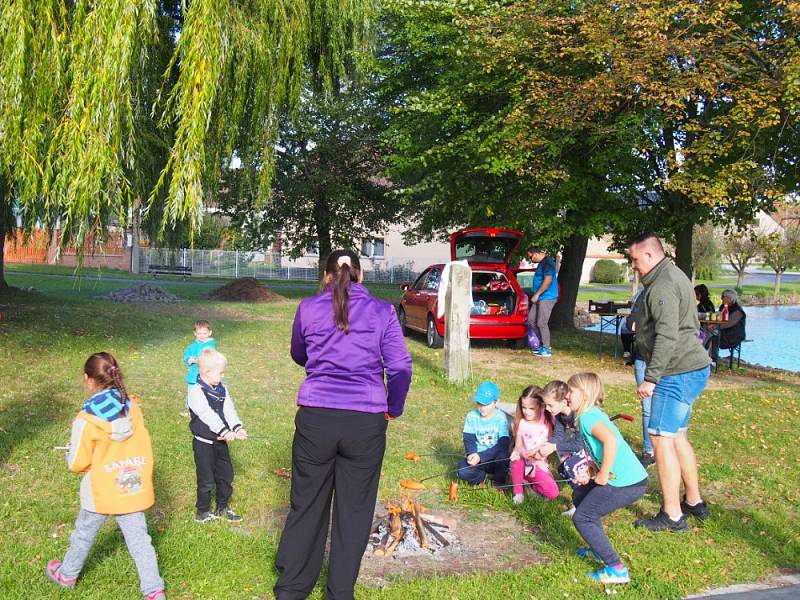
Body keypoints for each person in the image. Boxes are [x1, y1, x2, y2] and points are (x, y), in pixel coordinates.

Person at [274, 249, 412, 600]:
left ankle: (292, 588)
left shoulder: (308, 308)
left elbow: (298, 352)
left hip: (317, 417)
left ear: (326, 277)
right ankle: (338, 592)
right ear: (360, 276)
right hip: (365, 421)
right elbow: (399, 367)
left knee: (307, 502)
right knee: (354, 510)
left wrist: (321, 365)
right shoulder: (382, 311)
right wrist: (392, 407)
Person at [46, 352, 166, 600]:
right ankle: (154, 591)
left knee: (84, 532)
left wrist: (71, 449)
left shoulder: (86, 419)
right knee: (140, 541)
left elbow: (78, 463)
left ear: (87, 379)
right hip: (132, 486)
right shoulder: (132, 407)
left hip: (100, 491)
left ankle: (67, 574)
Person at [627, 233, 712, 532]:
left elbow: (667, 335)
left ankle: (673, 515)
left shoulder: (662, 284)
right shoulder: (674, 274)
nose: (633, 265)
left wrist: (651, 378)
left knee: (661, 439)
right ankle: (693, 500)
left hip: (676, 373)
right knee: (677, 436)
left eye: (635, 259)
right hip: (693, 368)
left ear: (649, 256)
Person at [566, 373, 648, 585]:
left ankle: (617, 569)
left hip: (626, 482)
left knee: (583, 517)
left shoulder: (588, 418)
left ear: (584, 395)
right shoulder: (591, 414)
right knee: (580, 495)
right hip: (622, 477)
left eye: (571, 391)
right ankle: (597, 549)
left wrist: (602, 475)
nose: (567, 396)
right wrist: (592, 470)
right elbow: (601, 449)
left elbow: (611, 442)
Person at [187, 348, 247, 523]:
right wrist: (224, 431)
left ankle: (222, 507)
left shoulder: (222, 389)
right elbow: (207, 415)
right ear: (206, 372)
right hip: (204, 443)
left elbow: (228, 410)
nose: (222, 375)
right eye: (220, 372)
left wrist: (237, 428)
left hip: (221, 442)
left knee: (225, 475)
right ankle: (202, 512)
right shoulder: (196, 392)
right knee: (206, 479)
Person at [533, 380, 585, 516]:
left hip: (593, 450)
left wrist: (554, 446)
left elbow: (579, 444)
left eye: (550, 405)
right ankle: (580, 499)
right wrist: (547, 446)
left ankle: (581, 503)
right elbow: (558, 435)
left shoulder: (579, 415)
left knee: (570, 466)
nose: (548, 409)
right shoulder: (561, 416)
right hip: (581, 448)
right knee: (563, 468)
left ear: (563, 402)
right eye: (546, 405)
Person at [509, 386, 559, 504]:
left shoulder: (548, 421)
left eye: (531, 408)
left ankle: (530, 485)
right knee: (517, 461)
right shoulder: (521, 423)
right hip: (524, 462)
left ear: (542, 406)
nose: (526, 411)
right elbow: (518, 446)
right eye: (524, 407)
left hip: (538, 464)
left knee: (553, 493)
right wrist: (516, 452)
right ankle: (518, 492)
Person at [456, 381, 510, 487]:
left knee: (503, 458)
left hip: (495, 457)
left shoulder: (500, 417)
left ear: (496, 402)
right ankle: (483, 478)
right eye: (479, 403)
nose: (482, 407)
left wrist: (481, 456)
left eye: (486, 404)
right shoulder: (471, 416)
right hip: (477, 458)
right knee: (462, 471)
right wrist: (472, 454)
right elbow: (468, 438)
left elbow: (503, 444)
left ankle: (498, 483)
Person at [627, 288, 654, 467]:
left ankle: (665, 446)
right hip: (641, 357)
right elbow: (631, 323)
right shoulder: (643, 295)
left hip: (661, 359)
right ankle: (649, 449)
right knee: (647, 407)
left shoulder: (669, 295)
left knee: (663, 405)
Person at [527, 246, 559, 358]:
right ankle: (542, 345)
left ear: (535, 254)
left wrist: (537, 294)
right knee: (531, 320)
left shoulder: (548, 263)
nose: (531, 259)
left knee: (541, 322)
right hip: (540, 297)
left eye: (531, 257)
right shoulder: (542, 263)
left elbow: (548, 280)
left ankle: (546, 348)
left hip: (547, 297)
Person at [182, 319, 216, 412]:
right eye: (199, 333)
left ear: (209, 333)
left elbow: (211, 359)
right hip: (193, 375)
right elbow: (186, 354)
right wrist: (188, 359)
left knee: (204, 393)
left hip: (205, 376)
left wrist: (198, 360)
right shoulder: (193, 345)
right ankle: (190, 411)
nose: (202, 336)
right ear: (195, 333)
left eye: (204, 333)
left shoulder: (210, 346)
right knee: (191, 393)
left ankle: (205, 410)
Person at [716, 289, 747, 357]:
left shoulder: (738, 310)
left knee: (713, 336)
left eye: (723, 297)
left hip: (734, 336)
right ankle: (709, 356)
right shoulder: (723, 307)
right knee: (707, 333)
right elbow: (719, 319)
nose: (721, 298)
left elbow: (729, 323)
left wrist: (714, 326)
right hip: (724, 332)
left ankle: (713, 358)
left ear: (729, 298)